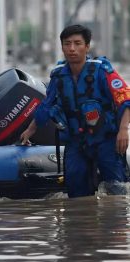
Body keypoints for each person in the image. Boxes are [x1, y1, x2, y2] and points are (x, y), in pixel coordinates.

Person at [20, 24, 130, 198]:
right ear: (62, 47)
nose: (72, 48)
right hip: (76, 141)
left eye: (77, 43)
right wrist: (30, 130)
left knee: (116, 191)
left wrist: (124, 130)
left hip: (106, 140)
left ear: (87, 47)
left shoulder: (102, 70)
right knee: (76, 193)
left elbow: (125, 98)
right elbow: (46, 106)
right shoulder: (58, 75)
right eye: (67, 43)